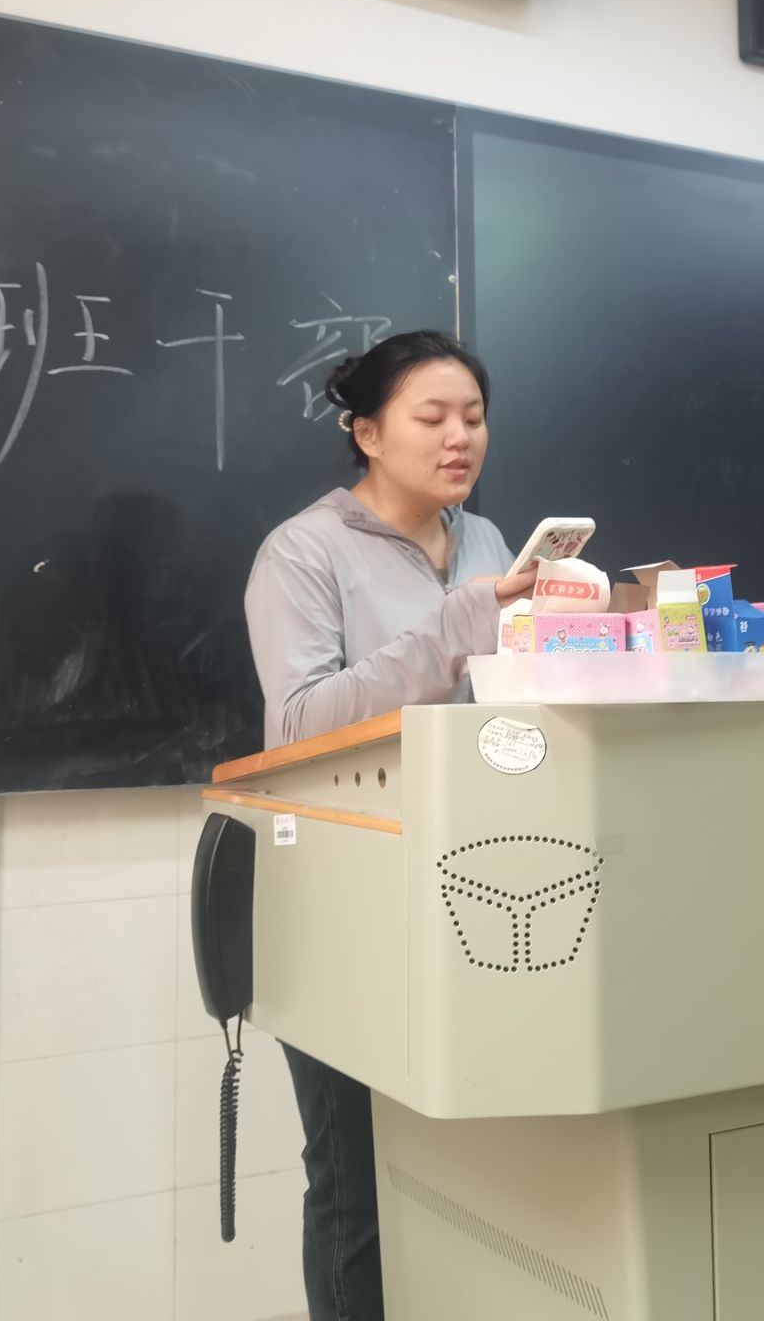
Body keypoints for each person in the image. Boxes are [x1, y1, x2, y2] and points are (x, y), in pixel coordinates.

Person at [242, 330, 534, 1321]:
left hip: (468, 887)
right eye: (432, 417)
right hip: (341, 906)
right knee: (355, 1179)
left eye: (474, 417)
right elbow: (297, 727)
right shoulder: (303, 552)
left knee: (463, 1168)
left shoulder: (486, 543)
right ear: (366, 432)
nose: (461, 438)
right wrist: (452, 629)